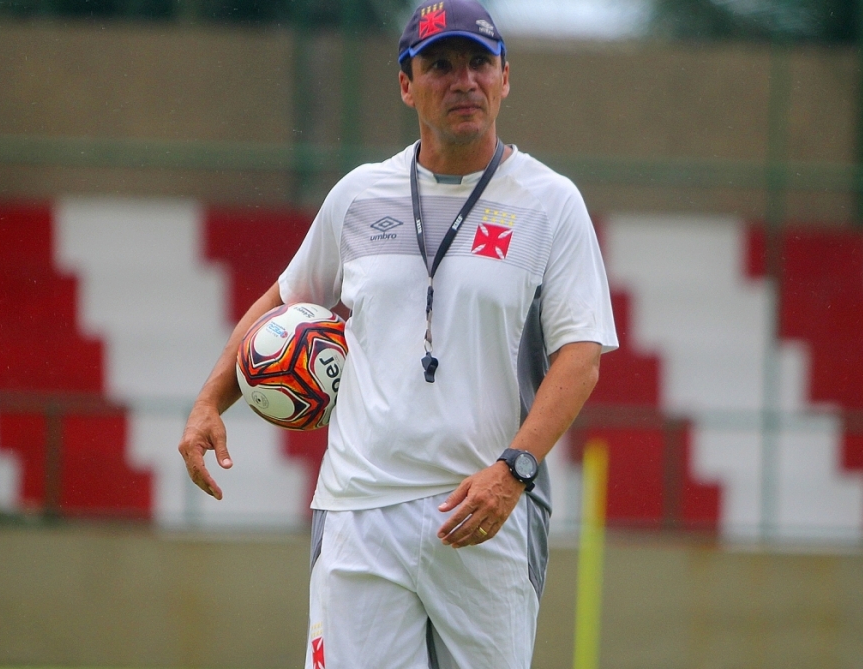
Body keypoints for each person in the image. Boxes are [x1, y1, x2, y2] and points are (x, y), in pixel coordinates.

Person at [177, 0, 618, 666]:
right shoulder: (359, 195)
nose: (462, 80)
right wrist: (210, 400)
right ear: (407, 85)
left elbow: (580, 355)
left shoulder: (550, 203)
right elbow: (282, 302)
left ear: (505, 77)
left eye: (478, 62)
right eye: (439, 65)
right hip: (359, 510)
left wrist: (513, 471)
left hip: (483, 511)